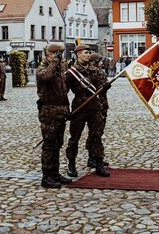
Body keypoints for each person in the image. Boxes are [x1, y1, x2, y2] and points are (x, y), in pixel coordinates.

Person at [65, 45, 111, 178]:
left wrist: (105, 87)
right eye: (86, 53)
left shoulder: (95, 70)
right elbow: (64, 92)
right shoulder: (71, 73)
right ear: (78, 54)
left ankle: (98, 164)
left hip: (95, 107)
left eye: (89, 53)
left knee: (96, 136)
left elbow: (102, 86)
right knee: (75, 137)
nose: (88, 55)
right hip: (79, 107)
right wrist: (66, 110)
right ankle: (71, 164)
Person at [36, 43, 72, 188]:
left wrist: (67, 109)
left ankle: (55, 173)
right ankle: (47, 176)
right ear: (49, 54)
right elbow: (47, 77)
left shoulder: (60, 69)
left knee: (58, 144)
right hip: (48, 111)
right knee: (49, 145)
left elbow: (63, 92)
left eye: (61, 55)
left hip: (60, 111)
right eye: (57, 54)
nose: (60, 58)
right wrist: (56, 62)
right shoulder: (42, 69)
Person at [86, 52, 110, 169]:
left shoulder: (95, 71)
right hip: (98, 105)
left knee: (96, 133)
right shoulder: (94, 72)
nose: (101, 63)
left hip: (101, 105)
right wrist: (104, 87)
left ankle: (94, 157)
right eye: (99, 61)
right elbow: (98, 89)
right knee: (96, 133)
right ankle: (93, 158)